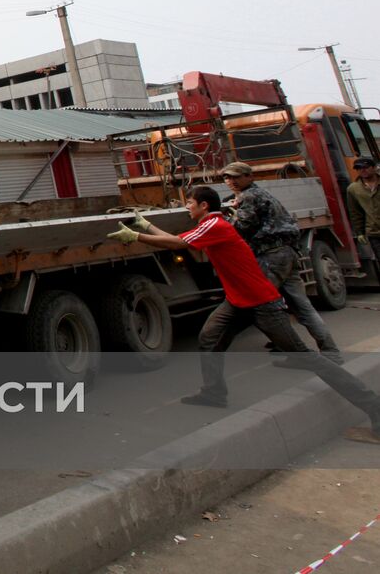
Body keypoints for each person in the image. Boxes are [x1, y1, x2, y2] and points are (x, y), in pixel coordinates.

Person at [108, 187, 380, 440]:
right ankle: (214, 392)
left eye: (189, 203)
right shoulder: (208, 224)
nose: (186, 207)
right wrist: (145, 225)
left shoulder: (215, 225)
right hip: (238, 300)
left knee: (307, 358)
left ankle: (373, 406)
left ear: (203, 205)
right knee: (209, 338)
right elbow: (178, 240)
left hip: (262, 303)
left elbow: (177, 244)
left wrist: (136, 237)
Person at [221, 161, 341, 363]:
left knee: (265, 306)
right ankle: (330, 351)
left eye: (236, 177)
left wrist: (228, 216)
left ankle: (297, 354)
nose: (231, 181)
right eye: (227, 178)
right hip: (287, 253)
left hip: (271, 256)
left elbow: (241, 227)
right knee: (302, 306)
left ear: (249, 177)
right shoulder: (259, 194)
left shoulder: (248, 196)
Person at [346, 157, 380, 258]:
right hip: (375, 233)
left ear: (374, 168)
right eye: (359, 168)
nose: (362, 170)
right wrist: (360, 232)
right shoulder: (353, 189)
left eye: (365, 167)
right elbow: (355, 212)